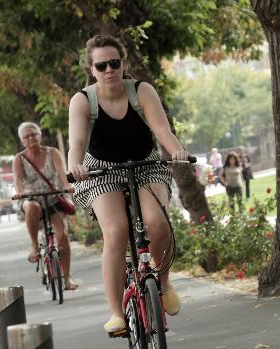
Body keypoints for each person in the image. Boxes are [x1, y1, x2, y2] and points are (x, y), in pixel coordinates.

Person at [67, 35, 189, 333]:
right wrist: (74, 165)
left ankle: (163, 283)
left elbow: (161, 129)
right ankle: (116, 313)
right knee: (116, 230)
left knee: (158, 223)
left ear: (123, 64)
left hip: (145, 164)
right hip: (100, 171)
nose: (109, 70)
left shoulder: (141, 91)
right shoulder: (83, 100)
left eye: (114, 63)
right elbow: (78, 142)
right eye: (101, 65)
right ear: (91, 68)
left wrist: (176, 150)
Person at [12, 122, 78, 290]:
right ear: (22, 141)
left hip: (53, 197)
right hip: (31, 198)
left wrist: (67, 185)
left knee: (62, 237)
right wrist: (20, 192)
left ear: (40, 135)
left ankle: (67, 278)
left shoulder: (52, 153)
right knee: (32, 207)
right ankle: (34, 245)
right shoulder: (19, 159)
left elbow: (63, 174)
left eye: (33, 134)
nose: (31, 138)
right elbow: (18, 181)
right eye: (26, 136)